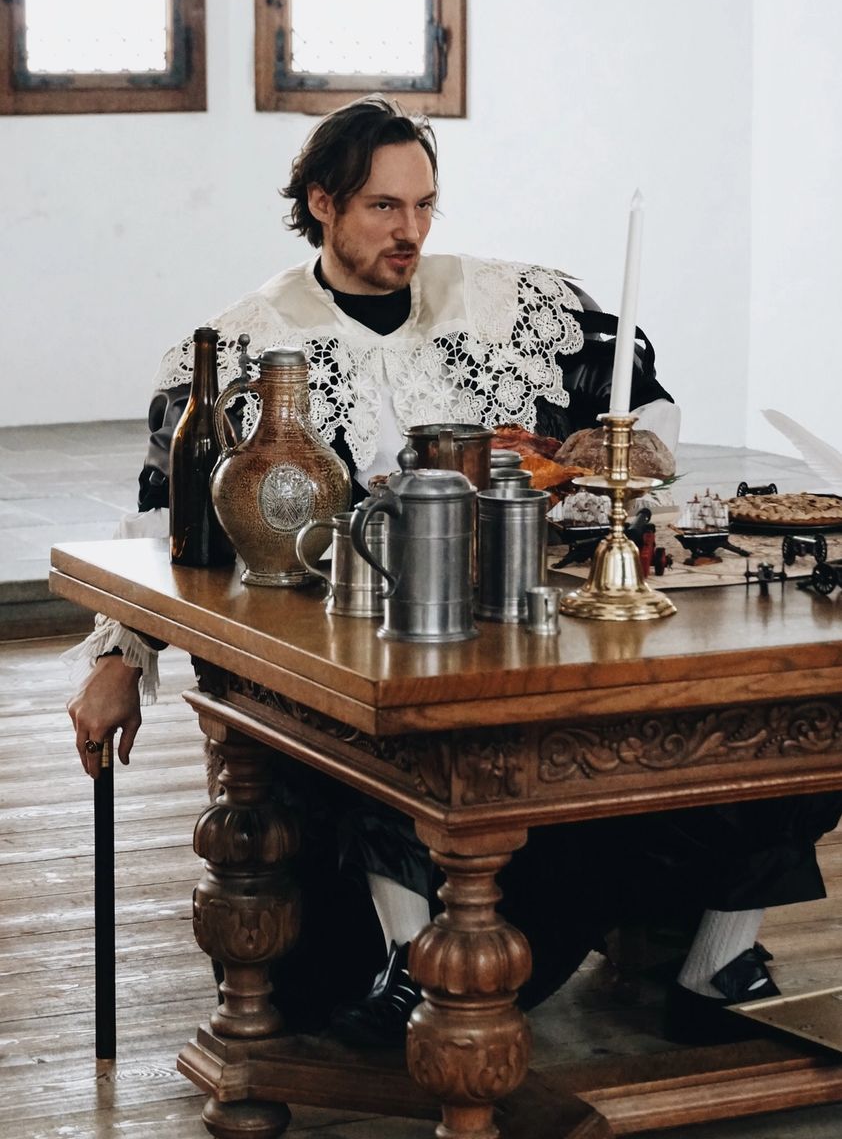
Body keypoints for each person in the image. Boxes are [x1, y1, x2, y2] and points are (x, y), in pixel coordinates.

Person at [65, 95, 839, 1050]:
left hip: (531, 631)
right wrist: (119, 657)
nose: (413, 231)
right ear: (321, 204)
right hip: (345, 648)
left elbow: (639, 405)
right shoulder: (248, 340)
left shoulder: (507, 304)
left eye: (425, 205)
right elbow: (168, 523)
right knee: (396, 759)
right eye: (384, 207)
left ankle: (716, 961)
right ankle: (408, 961)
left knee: (771, 718)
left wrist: (621, 453)